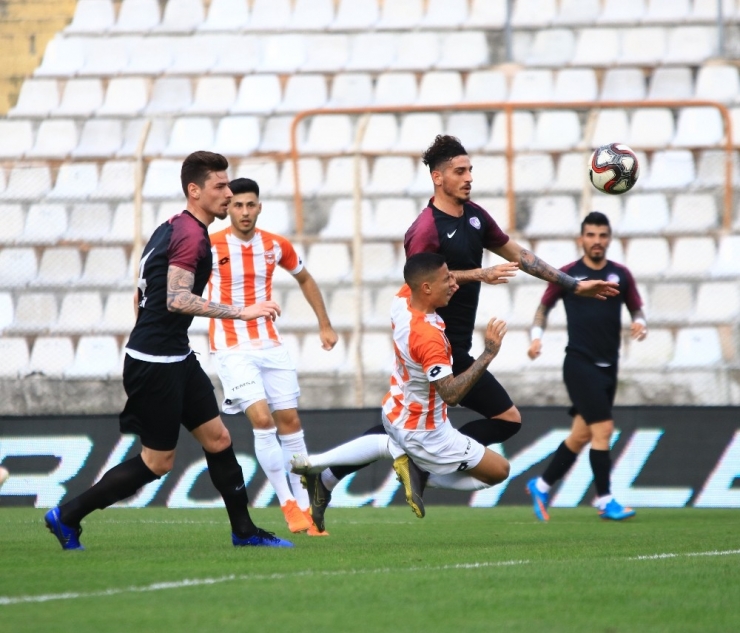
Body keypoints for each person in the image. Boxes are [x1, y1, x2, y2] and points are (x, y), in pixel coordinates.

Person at [298, 135, 620, 527]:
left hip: (457, 345)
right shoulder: (425, 229)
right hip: (428, 342)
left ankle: (343, 476)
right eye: (459, 171)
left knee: (499, 419)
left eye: (470, 170)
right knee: (411, 421)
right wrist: (479, 274)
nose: (469, 178)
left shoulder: (474, 216)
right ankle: (405, 465)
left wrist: (572, 284)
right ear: (437, 177)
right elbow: (418, 282)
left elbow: (519, 254)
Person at [44, 151, 293, 550]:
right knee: (157, 463)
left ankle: (244, 532)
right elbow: (177, 299)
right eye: (220, 186)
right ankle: (67, 515)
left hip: (174, 355)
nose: (229, 193)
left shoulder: (174, 226)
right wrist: (241, 313)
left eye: (228, 184)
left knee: (219, 440)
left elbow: (144, 292)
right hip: (156, 364)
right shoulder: (192, 236)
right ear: (195, 191)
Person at [294, 253, 512, 519]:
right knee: (500, 471)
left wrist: (479, 274)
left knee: (388, 444)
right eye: (447, 280)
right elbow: (451, 394)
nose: (453, 284)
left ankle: (320, 467)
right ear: (427, 288)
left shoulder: (402, 301)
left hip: (396, 411)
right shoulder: (428, 338)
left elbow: (424, 280)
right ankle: (425, 473)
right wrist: (488, 353)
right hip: (428, 432)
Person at [208, 177, 337, 536]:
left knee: (290, 422)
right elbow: (182, 286)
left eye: (251, 205)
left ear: (259, 207)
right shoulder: (209, 244)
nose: (244, 212)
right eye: (238, 205)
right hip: (232, 346)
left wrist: (324, 325)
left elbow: (306, 278)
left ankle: (308, 509)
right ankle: (288, 504)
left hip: (270, 344)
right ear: (228, 207)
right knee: (262, 420)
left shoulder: (275, 245)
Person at [525, 211, 647, 522]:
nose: (597, 241)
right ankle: (605, 499)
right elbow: (543, 307)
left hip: (609, 366)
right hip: (579, 363)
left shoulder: (621, 274)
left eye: (602, 235)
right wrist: (536, 337)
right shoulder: (567, 274)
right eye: (591, 235)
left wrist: (640, 323)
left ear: (608, 239)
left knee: (580, 436)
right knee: (604, 429)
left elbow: (636, 308)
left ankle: (540, 485)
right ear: (581, 239)